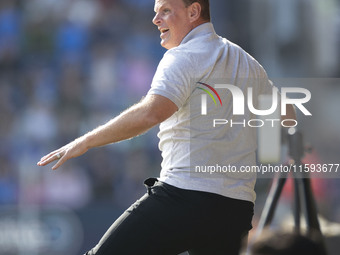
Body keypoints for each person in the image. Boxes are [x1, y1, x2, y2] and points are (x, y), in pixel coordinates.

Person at [38, 0, 296, 254]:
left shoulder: (183, 56)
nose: (156, 19)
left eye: (165, 11)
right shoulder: (248, 62)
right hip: (236, 209)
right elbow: (287, 115)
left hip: (186, 196)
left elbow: (151, 114)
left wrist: (85, 141)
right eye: (155, 12)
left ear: (194, 11)